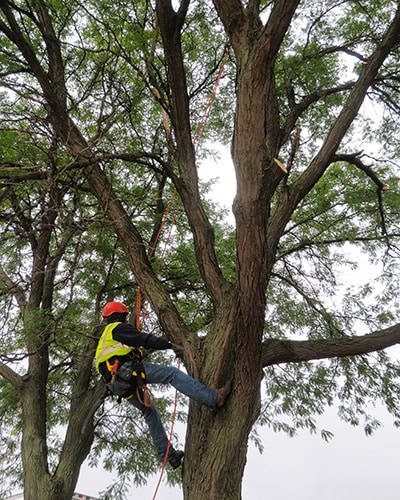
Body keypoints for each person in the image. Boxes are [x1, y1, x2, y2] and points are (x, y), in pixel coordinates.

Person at [95, 301, 232, 469]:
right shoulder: (117, 328)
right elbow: (143, 339)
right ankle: (212, 397)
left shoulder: (106, 338)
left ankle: (169, 455)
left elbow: (126, 350)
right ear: (120, 316)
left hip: (116, 384)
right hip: (125, 372)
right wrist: (169, 345)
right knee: (171, 374)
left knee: (149, 411)